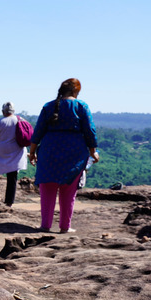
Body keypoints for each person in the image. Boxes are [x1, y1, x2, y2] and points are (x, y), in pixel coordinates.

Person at [28, 78, 99, 233]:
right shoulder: (81, 106)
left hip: (48, 151)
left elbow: (38, 131)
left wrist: (32, 152)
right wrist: (93, 151)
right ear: (75, 91)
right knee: (68, 191)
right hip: (74, 152)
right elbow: (90, 130)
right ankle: (65, 227)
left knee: (47, 189)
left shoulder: (48, 106)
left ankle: (45, 225)